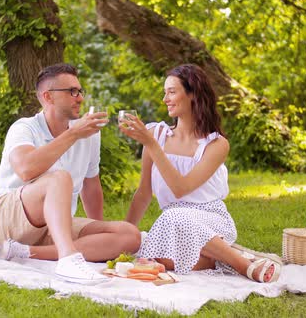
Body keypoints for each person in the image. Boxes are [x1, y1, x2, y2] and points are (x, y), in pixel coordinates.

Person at [120, 64, 281, 283]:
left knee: (174, 215)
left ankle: (242, 265)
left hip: (210, 219)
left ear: (193, 94)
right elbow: (143, 192)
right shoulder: (156, 134)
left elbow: (180, 189)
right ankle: (221, 258)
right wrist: (125, 233)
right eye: (164, 92)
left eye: (172, 92)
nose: (165, 99)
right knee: (151, 257)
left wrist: (151, 145)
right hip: (172, 224)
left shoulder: (216, 144)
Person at [0, 63, 141, 284]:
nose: (79, 98)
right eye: (71, 92)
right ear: (48, 97)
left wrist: (96, 233)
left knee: (129, 235)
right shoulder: (24, 128)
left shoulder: (89, 135)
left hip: (56, 226)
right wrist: (73, 134)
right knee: (60, 177)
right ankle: (67, 258)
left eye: (80, 91)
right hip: (10, 220)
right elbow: (26, 169)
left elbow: (91, 186)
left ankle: (25, 252)